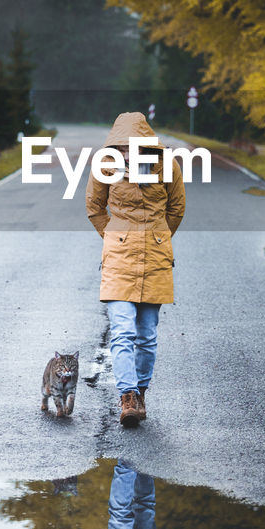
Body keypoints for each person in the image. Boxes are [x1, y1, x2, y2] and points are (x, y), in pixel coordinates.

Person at [85, 111, 185, 426]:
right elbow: (94, 207)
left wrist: (157, 237)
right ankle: (127, 397)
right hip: (119, 258)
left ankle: (140, 392)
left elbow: (177, 208)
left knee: (147, 335)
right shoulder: (105, 166)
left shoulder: (167, 165)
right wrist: (116, 237)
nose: (129, 152)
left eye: (134, 145)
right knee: (122, 330)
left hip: (155, 257)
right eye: (123, 146)